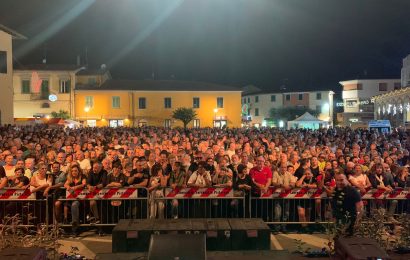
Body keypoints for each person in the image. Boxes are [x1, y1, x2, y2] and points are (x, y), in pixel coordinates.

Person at [64, 164, 86, 236]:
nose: (74, 172)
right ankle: (68, 225)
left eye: (75, 171)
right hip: (72, 198)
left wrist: (75, 187)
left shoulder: (83, 176)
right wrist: (68, 186)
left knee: (74, 205)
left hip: (81, 199)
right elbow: (65, 184)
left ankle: (75, 228)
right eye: (72, 171)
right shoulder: (70, 178)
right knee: (67, 205)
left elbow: (84, 184)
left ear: (79, 171)